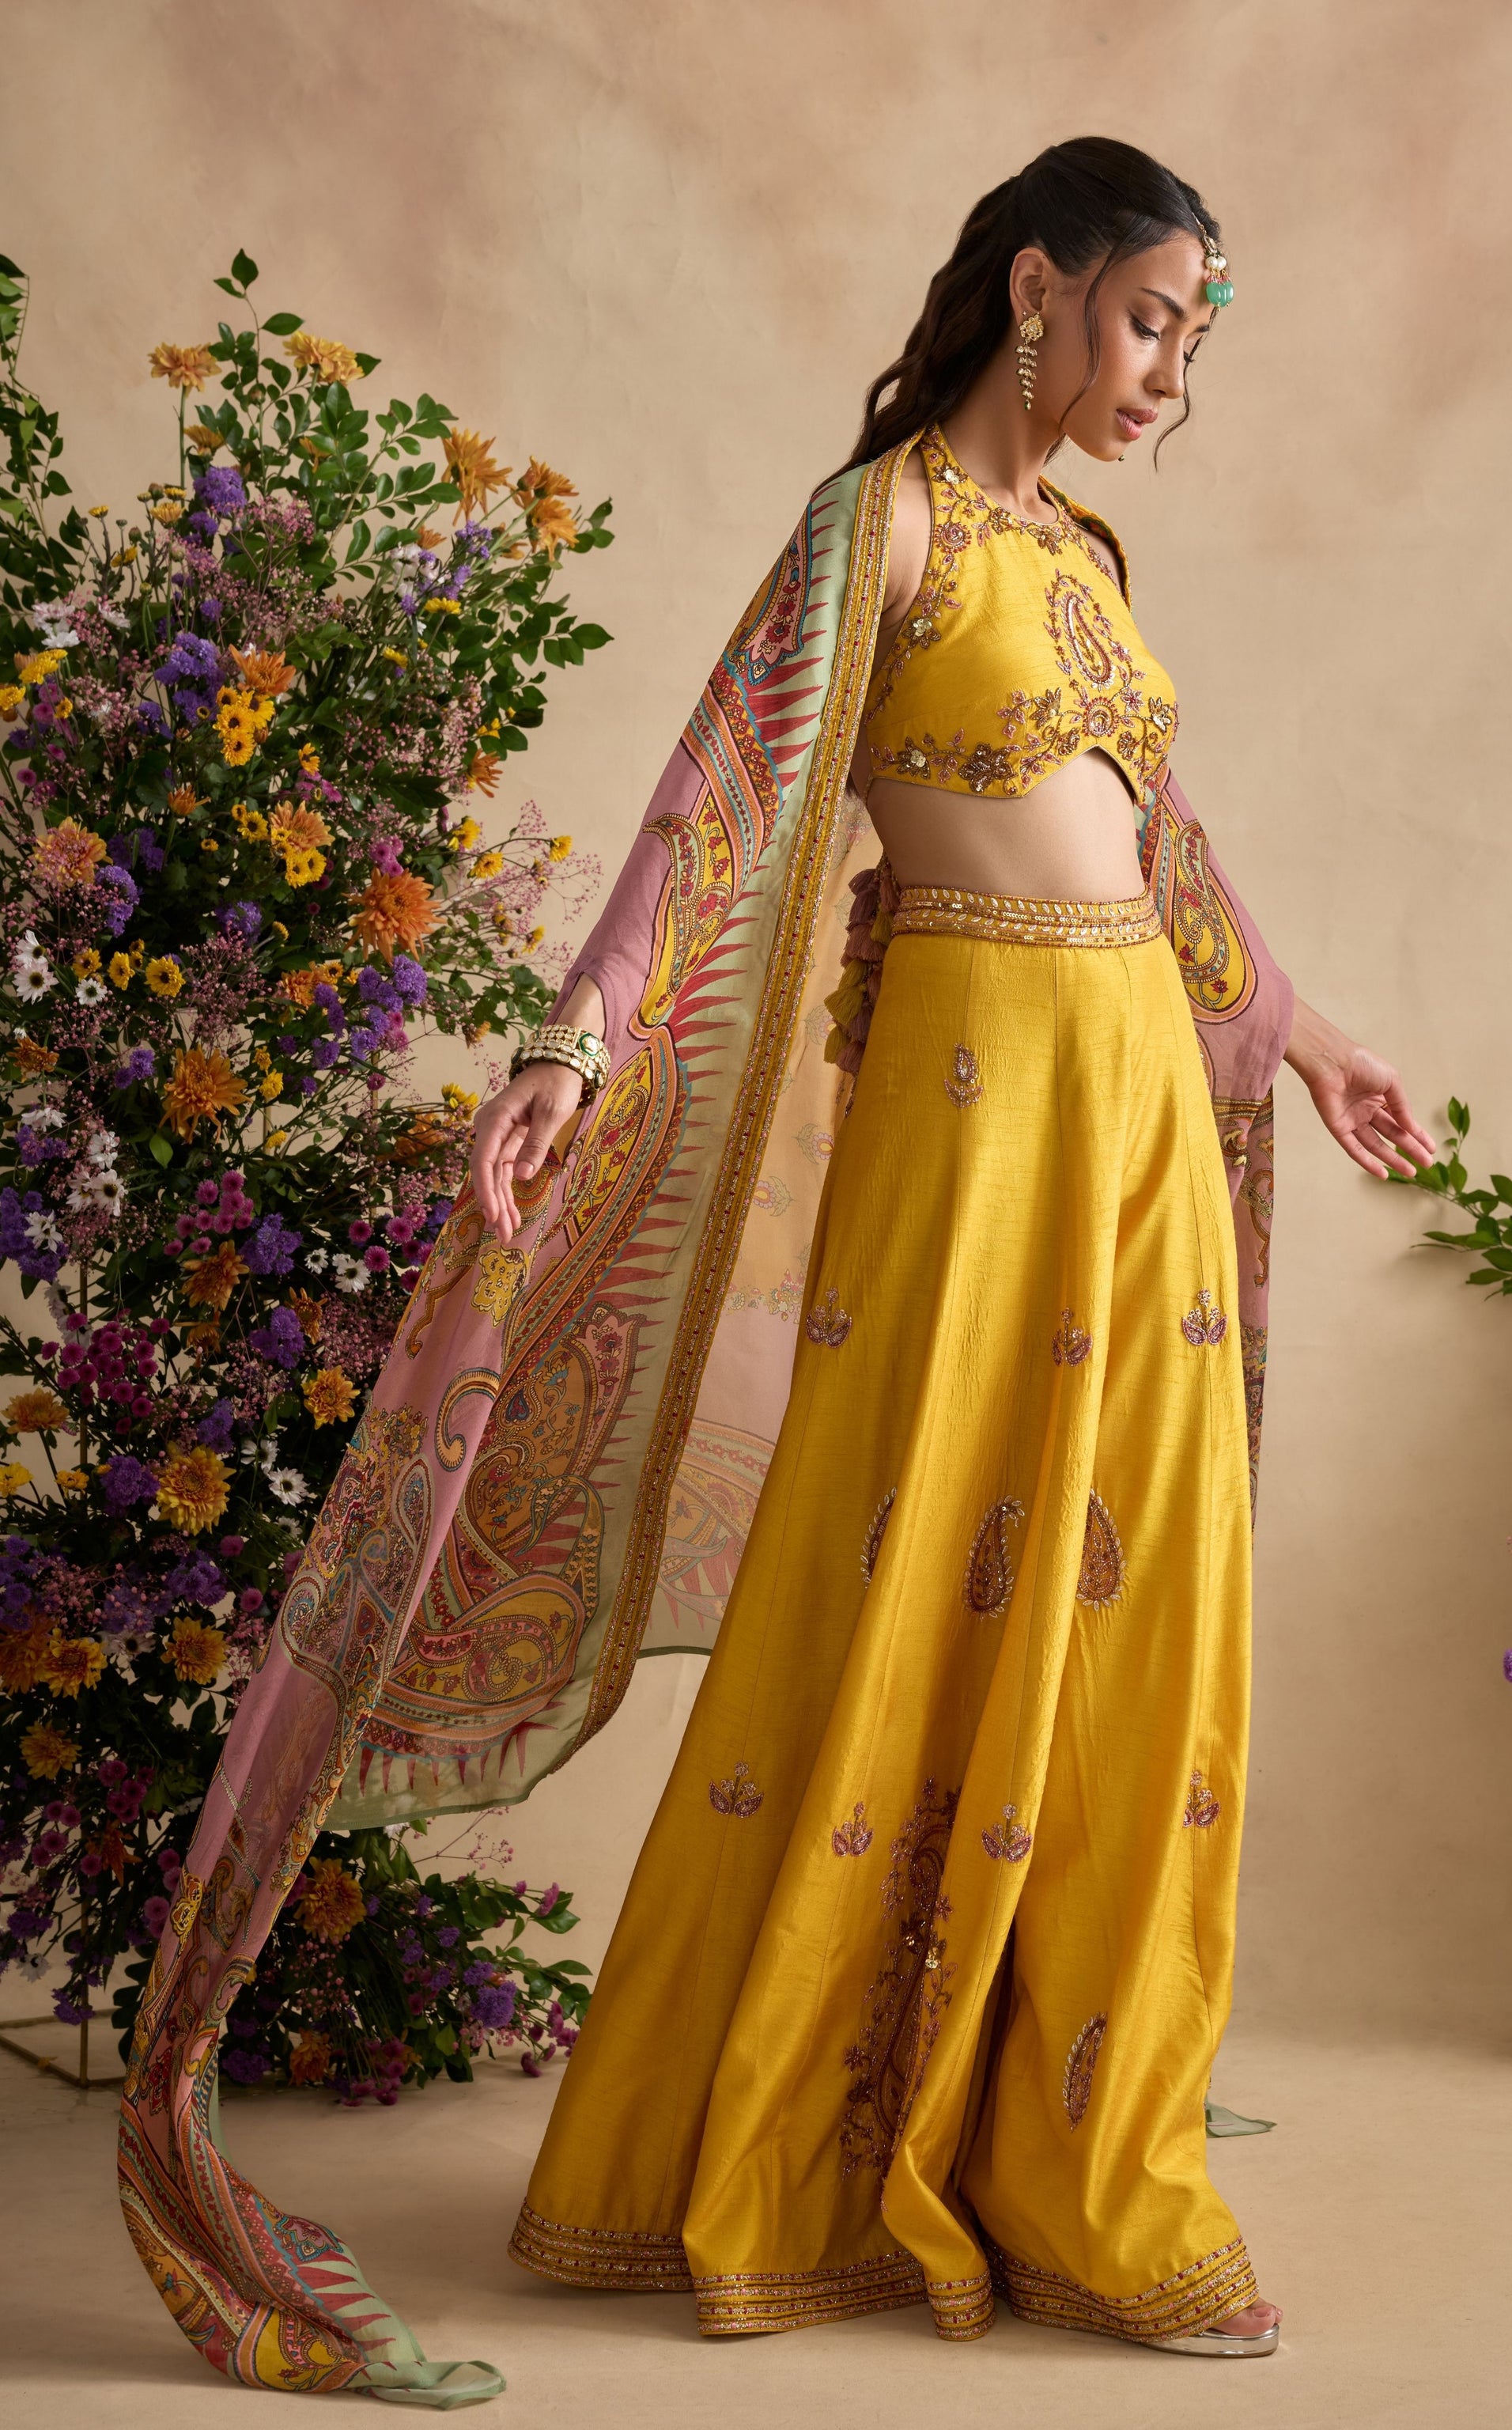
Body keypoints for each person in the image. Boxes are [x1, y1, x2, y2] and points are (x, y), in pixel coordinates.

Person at [119, 137, 1434, 2398]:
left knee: (1135, 1598)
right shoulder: (885, 524)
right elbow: (709, 812)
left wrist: (1305, 1040)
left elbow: (1165, 846)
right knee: (910, 1561)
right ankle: (788, 2133)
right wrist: (567, 1049)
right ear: (1038, 289)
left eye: (1196, 340)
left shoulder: (1088, 560)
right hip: (971, 1122)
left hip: (1140, 1111)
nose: (1171, 376)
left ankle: (1078, 2145)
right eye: (1151, 320)